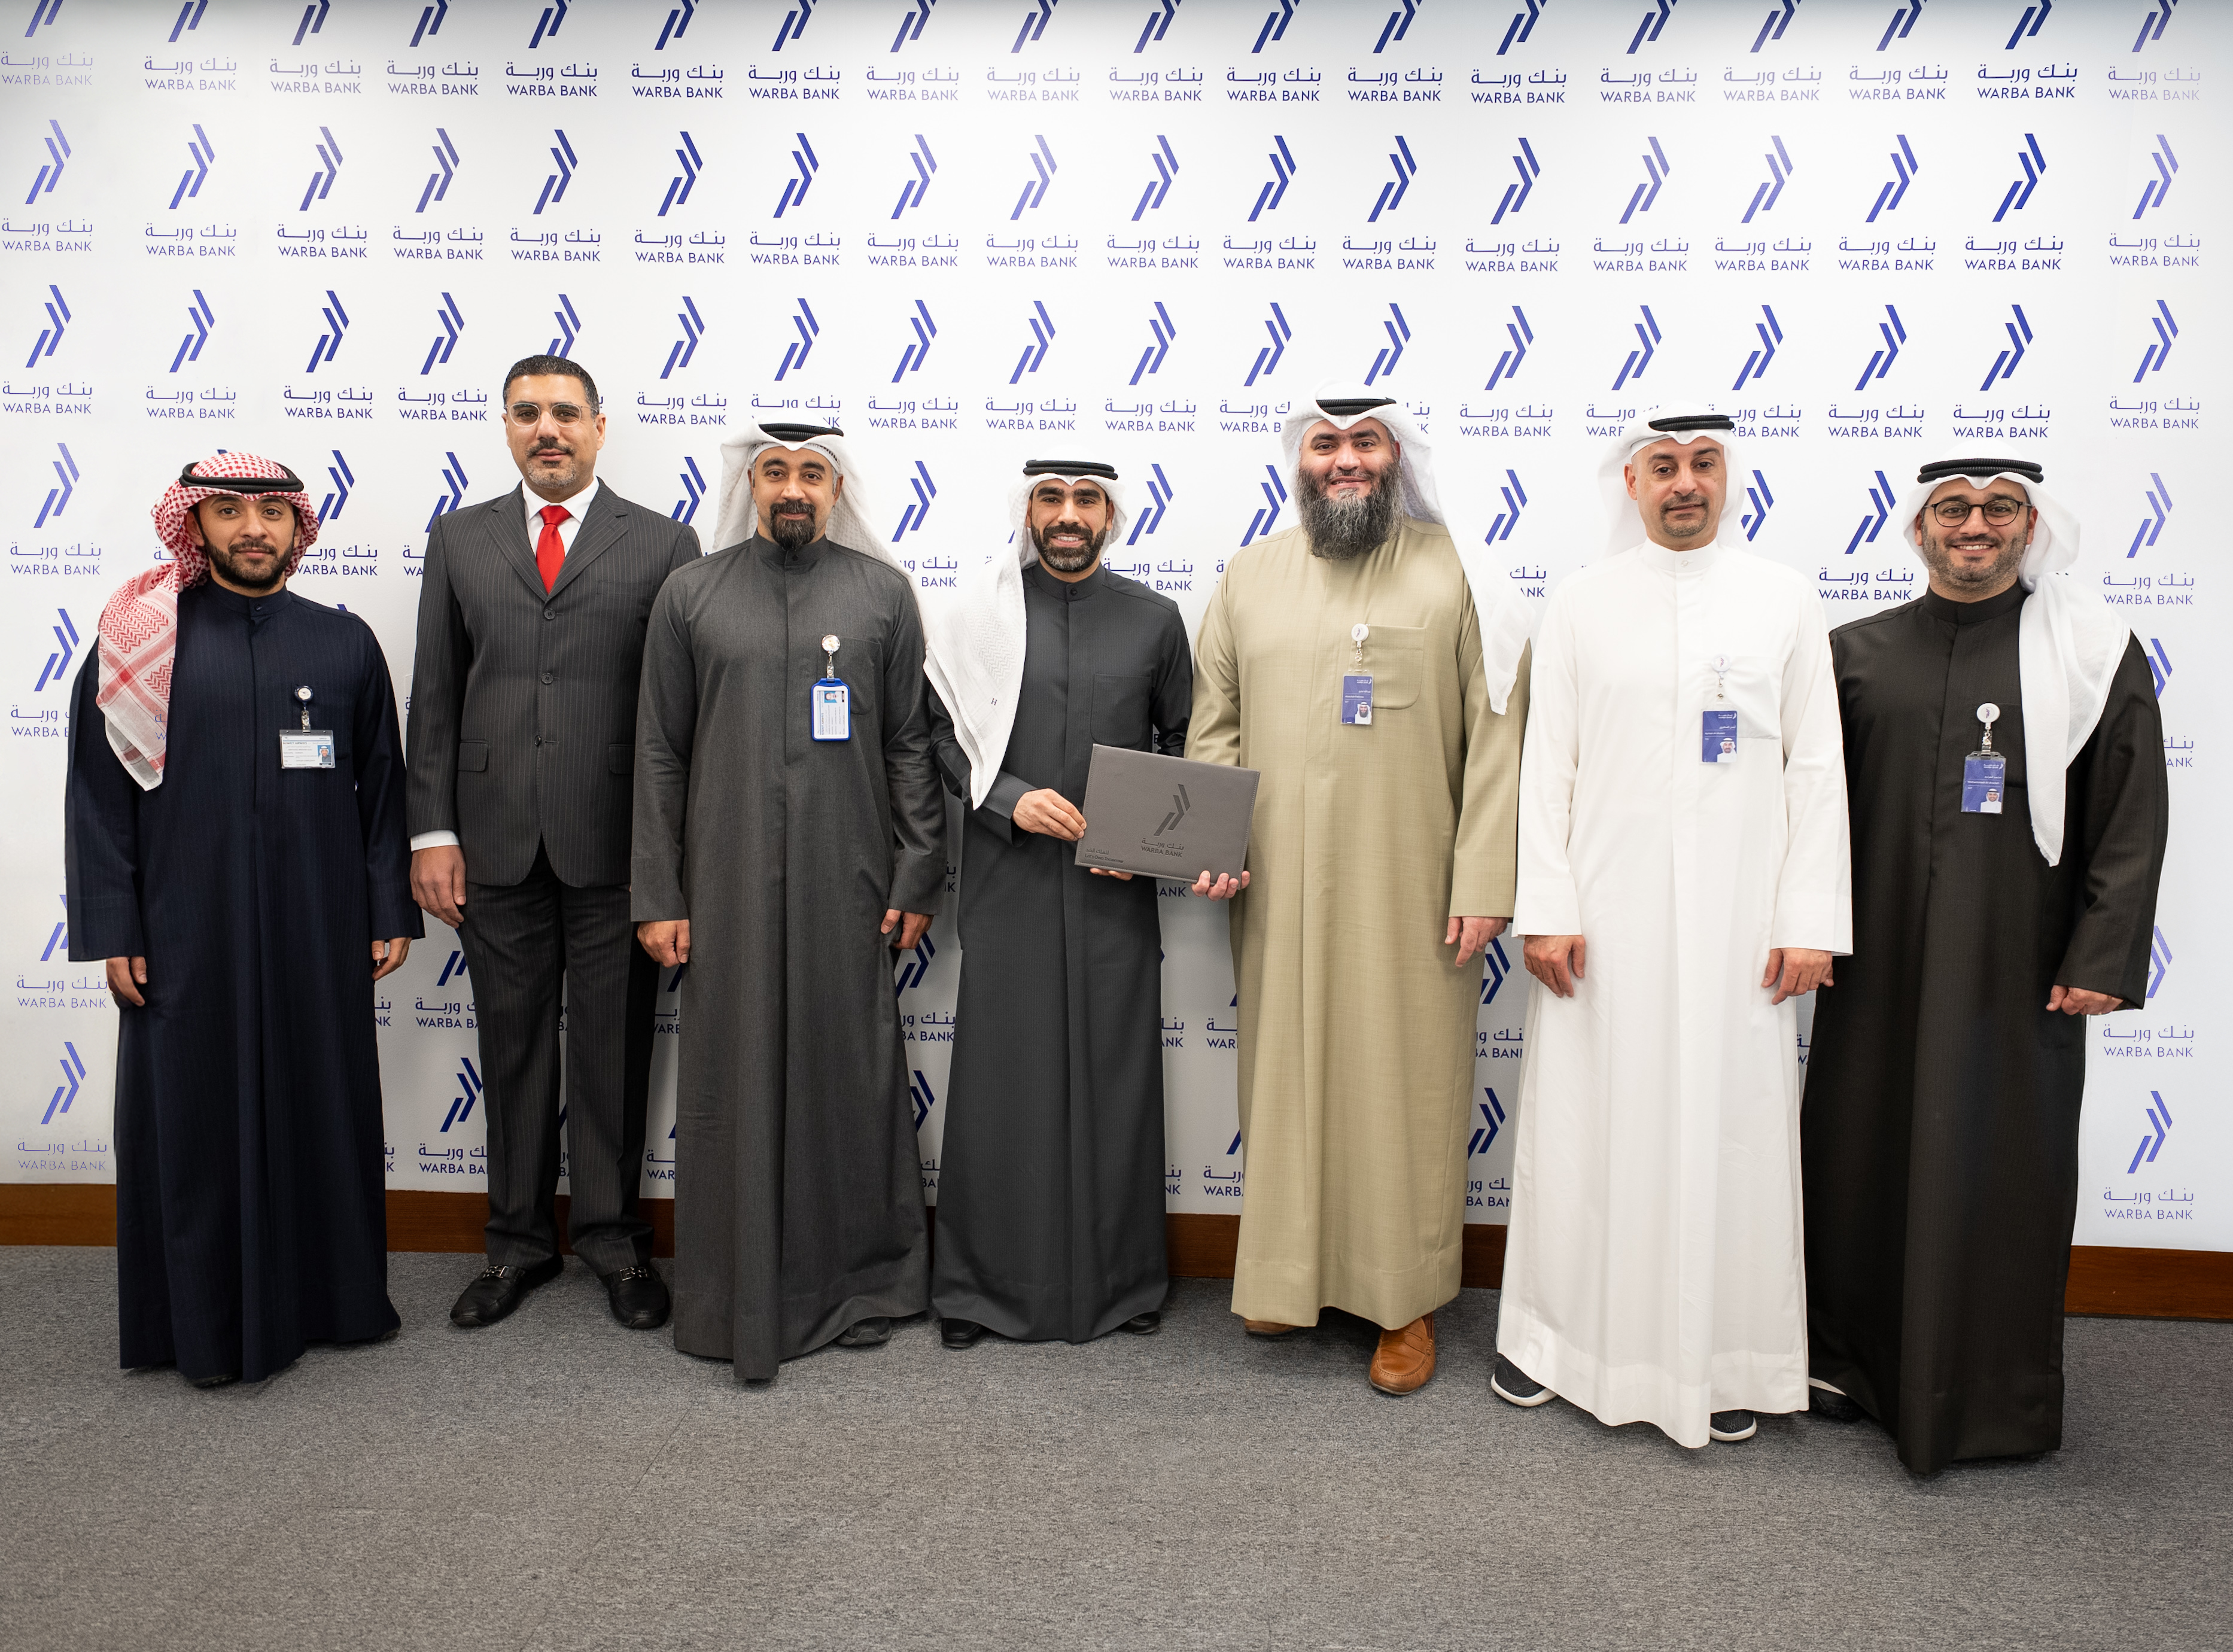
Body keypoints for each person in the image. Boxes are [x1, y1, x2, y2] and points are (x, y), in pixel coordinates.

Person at [1802, 455, 2168, 1474]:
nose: (1976, 525)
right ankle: (1847, 1366)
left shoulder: (2092, 654)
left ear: (2030, 526)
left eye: (1999, 508)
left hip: (2020, 964)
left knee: (2001, 1166)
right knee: (1859, 1149)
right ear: (1918, 529)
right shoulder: (1852, 654)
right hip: (1873, 966)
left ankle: (1991, 1396)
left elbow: (2132, 810)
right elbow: (1805, 814)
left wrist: (2104, 952)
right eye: (1954, 508)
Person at [1495, 406, 1851, 1447]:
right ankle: (1557, 1344)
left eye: (1703, 463)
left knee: (1733, 1131)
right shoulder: (1581, 601)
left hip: (1746, 923)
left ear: (1727, 477)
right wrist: (1548, 908)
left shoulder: (1785, 599)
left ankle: (1727, 1357)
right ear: (1633, 482)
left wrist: (1809, 920)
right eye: (1664, 465)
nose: (1685, 481)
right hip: (1602, 924)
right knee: (1586, 1128)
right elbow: (1547, 767)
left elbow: (1817, 769)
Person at [1188, 382, 1535, 1395]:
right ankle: (1286, 1277)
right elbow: (1216, 724)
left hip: (1412, 884)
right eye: (1326, 444)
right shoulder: (1249, 575)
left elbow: (1499, 737)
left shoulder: (1457, 571)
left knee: (1403, 1085)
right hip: (1278, 883)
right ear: (1299, 461)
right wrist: (1213, 840)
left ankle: (1403, 1303)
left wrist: (1484, 877)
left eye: (1367, 442)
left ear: (1398, 456)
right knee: (1286, 1079)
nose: (1345, 459)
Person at [65, 453, 418, 1387]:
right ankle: (194, 1319)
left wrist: (386, 905)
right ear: (196, 525)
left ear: (299, 527)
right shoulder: (139, 638)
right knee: (189, 1115)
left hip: (318, 919)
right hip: (184, 923)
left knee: (323, 1101)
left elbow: (383, 786)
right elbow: (98, 795)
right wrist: (115, 927)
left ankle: (336, 1302)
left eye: (271, 512)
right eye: (228, 510)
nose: (252, 528)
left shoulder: (344, 643)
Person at [633, 420, 944, 1382]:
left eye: (812, 472)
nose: (793, 488)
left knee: (846, 1071)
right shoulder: (691, 593)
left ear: (837, 489)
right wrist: (658, 892)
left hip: (848, 877)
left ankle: (859, 1286)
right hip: (721, 880)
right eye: (775, 471)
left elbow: (909, 744)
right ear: (751, 484)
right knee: (732, 1078)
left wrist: (919, 872)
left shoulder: (882, 593)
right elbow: (659, 750)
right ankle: (735, 1294)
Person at [406, 354, 701, 1332]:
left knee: (615, 1051)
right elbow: (436, 694)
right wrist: (433, 831)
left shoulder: (663, 542)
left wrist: (669, 858)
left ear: (599, 427)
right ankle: (518, 1243)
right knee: (512, 1046)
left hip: (617, 846)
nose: (548, 429)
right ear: (505, 426)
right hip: (491, 844)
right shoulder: (458, 537)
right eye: (528, 412)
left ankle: (615, 1242)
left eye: (566, 413)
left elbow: (676, 716)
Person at [921, 460, 1192, 1349]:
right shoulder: (976, 618)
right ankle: (980, 1290)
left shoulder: (1154, 619)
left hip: (1115, 891)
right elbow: (945, 736)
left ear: (1111, 516)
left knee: (1117, 1076)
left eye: (1085, 500)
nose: (1067, 515)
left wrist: (1142, 833)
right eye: (1051, 498)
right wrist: (1009, 800)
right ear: (1028, 510)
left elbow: (1182, 740)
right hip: (1011, 880)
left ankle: (1123, 1283)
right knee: (1004, 1080)